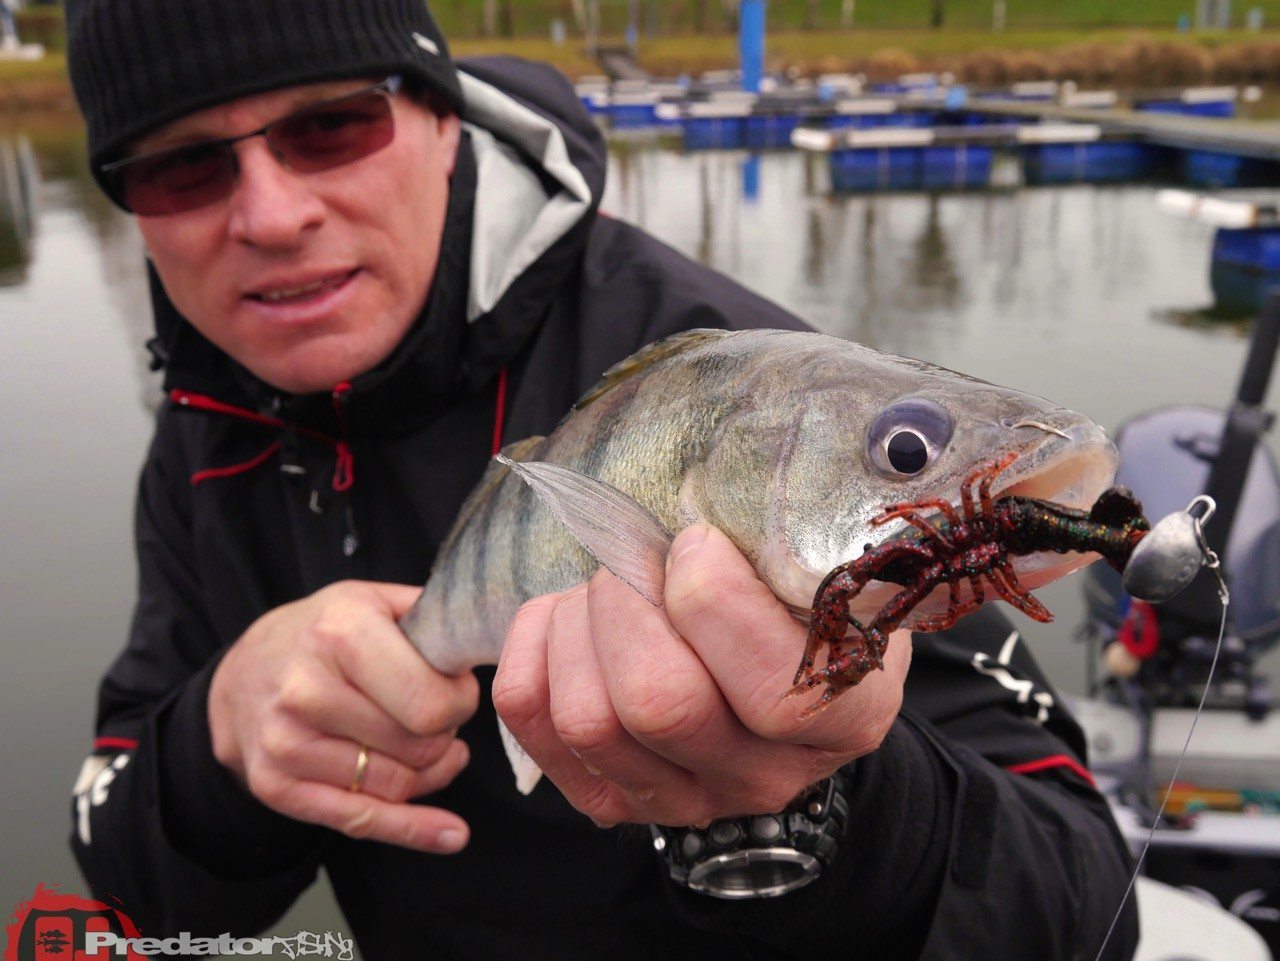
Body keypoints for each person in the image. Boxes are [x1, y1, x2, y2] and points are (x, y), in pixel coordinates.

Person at [64, 1, 1139, 958]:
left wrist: (826, 809)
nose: (269, 215)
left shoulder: (746, 378)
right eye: (182, 168)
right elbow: (127, 890)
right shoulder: (206, 423)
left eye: (329, 126)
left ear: (443, 116)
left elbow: (1080, 897)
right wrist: (220, 744)